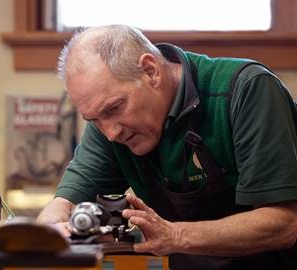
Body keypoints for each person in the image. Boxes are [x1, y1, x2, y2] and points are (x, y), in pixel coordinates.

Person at [36, 25, 297, 269]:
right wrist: (52, 228)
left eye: (114, 108)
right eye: (94, 119)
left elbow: (284, 224)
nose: (111, 132)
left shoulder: (246, 90)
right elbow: (63, 204)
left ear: (150, 71)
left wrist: (174, 236)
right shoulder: (110, 125)